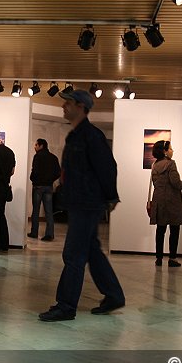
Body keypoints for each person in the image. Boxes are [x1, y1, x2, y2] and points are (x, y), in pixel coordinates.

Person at [39, 89, 126, 322]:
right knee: (91, 251)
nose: (63, 106)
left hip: (88, 202)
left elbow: (108, 167)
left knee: (74, 254)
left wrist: (111, 197)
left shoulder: (91, 135)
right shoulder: (75, 136)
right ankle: (114, 295)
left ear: (81, 106)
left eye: (68, 103)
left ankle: (66, 306)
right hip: (80, 201)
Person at [149, 140, 182, 267]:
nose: (172, 151)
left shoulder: (155, 165)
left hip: (159, 200)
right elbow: (175, 182)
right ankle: (172, 259)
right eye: (170, 148)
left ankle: (159, 259)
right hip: (172, 201)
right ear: (165, 151)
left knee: (160, 230)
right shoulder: (171, 164)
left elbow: (156, 183)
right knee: (174, 230)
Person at [28, 138, 61, 241]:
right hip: (48, 186)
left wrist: (33, 179)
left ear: (41, 146)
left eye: (36, 145)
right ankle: (49, 234)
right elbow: (58, 172)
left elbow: (35, 171)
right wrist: (50, 180)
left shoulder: (37, 156)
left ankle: (34, 232)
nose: (35, 147)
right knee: (49, 211)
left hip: (38, 186)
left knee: (36, 210)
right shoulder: (53, 157)